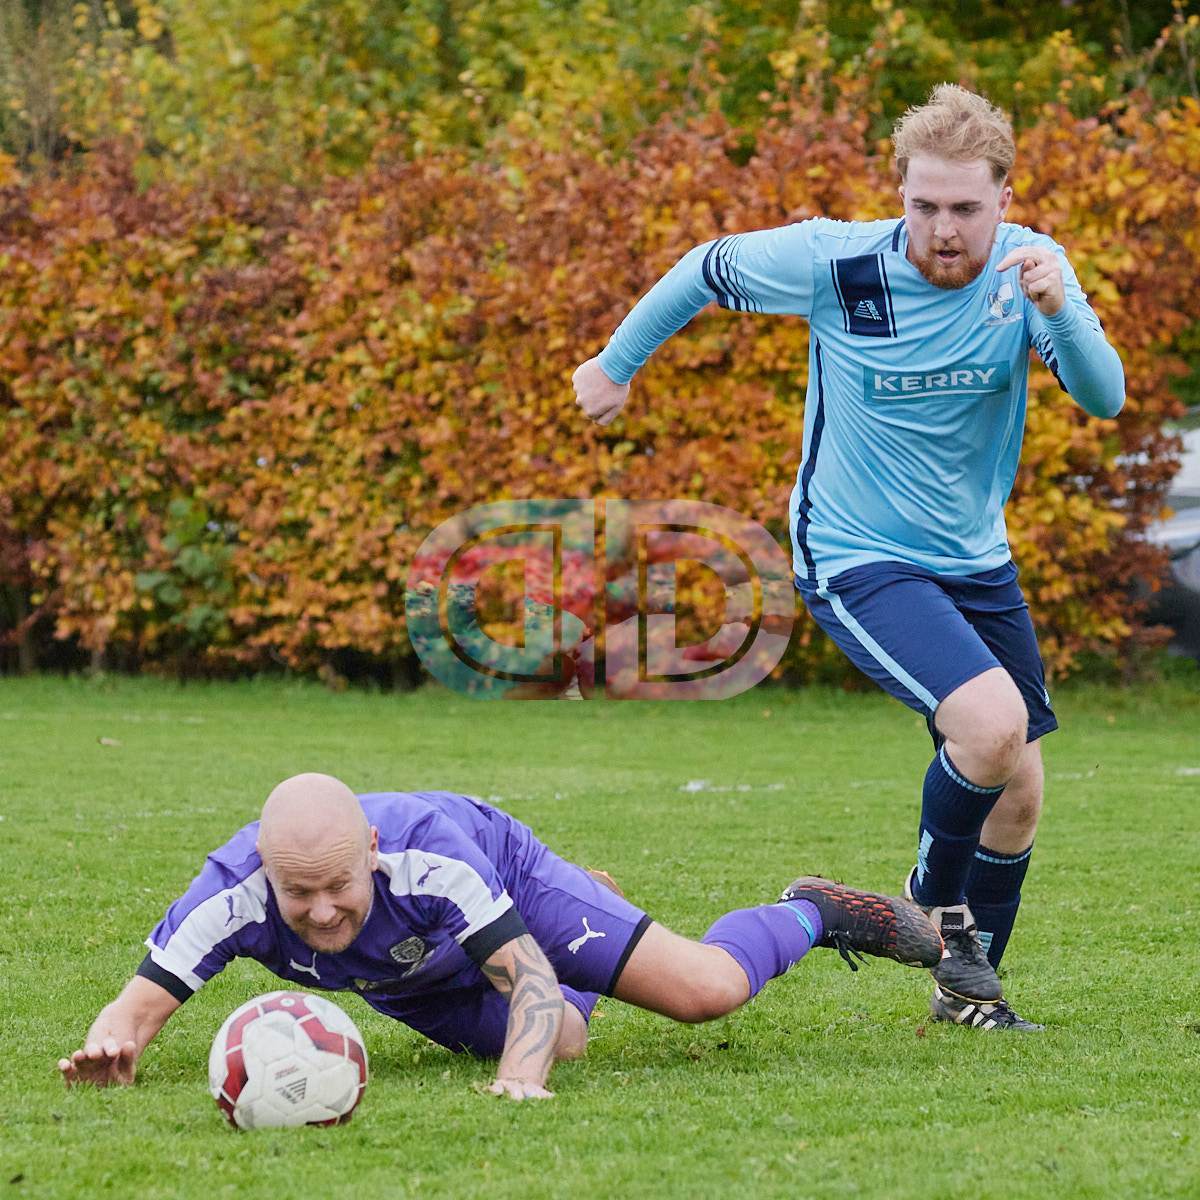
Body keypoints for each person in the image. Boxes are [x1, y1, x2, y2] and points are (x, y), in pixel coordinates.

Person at [573, 84, 1125, 1031]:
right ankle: (927, 899)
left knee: (1020, 790)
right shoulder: (837, 261)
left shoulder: (1032, 272)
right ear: (899, 193)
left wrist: (1059, 310)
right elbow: (703, 268)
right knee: (991, 728)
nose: (943, 230)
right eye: (924, 205)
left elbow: (1103, 395)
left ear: (1004, 198)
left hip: (975, 560)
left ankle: (965, 996)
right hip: (856, 553)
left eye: (966, 208)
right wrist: (614, 365)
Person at [58, 773, 942, 1098]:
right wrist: (110, 1048)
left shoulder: (429, 856)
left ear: (372, 850)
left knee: (705, 992)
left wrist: (519, 1083)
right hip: (405, 976)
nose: (321, 911)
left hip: (502, 884)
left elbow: (526, 981)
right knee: (569, 1038)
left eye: (339, 887)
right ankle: (587, 921)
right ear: (264, 871)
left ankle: (814, 909)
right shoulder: (230, 896)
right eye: (300, 895)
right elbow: (136, 1006)